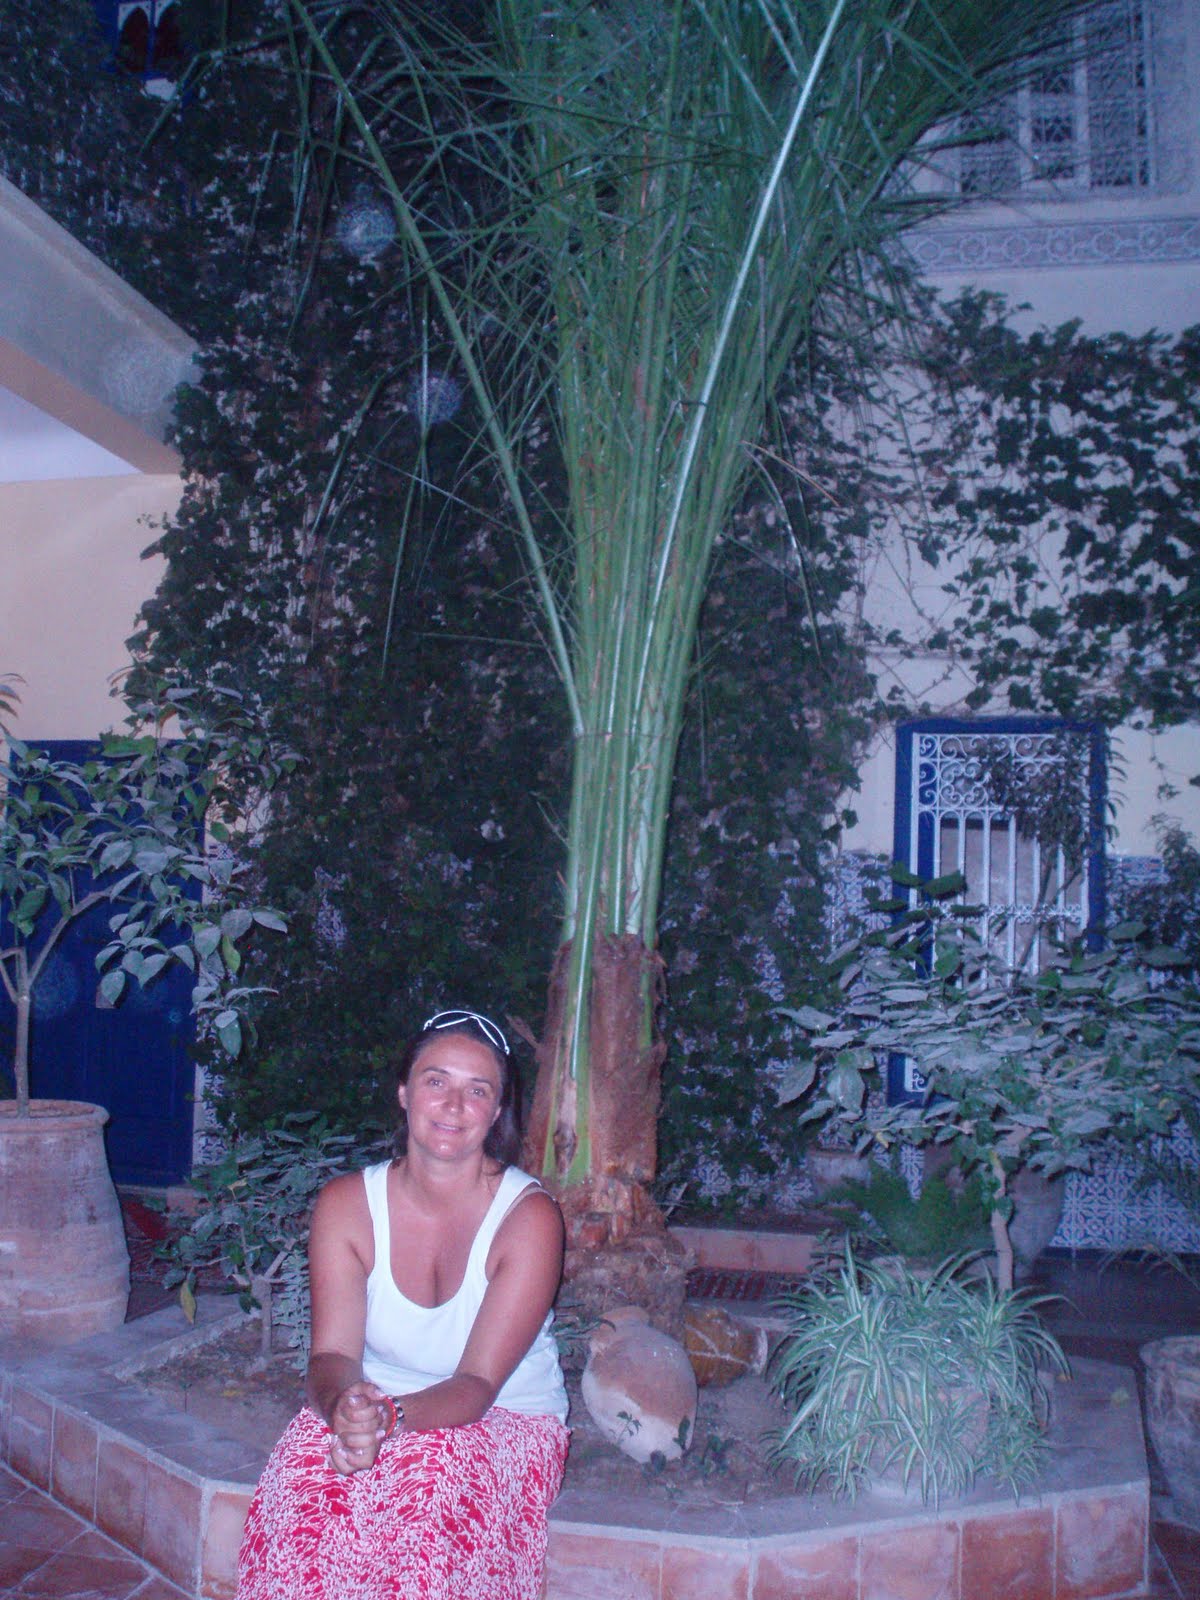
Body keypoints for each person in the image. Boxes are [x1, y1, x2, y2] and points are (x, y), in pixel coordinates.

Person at [235, 1009, 570, 1600]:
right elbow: (333, 1356)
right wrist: (344, 1409)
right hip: (375, 1401)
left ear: (497, 1111)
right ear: (404, 1093)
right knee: (304, 1474)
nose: (453, 1105)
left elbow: (476, 1385)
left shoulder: (529, 1218)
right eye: (436, 1081)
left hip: (504, 1416)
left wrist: (386, 1421)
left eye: (478, 1090)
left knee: (431, 1493)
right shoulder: (348, 1204)